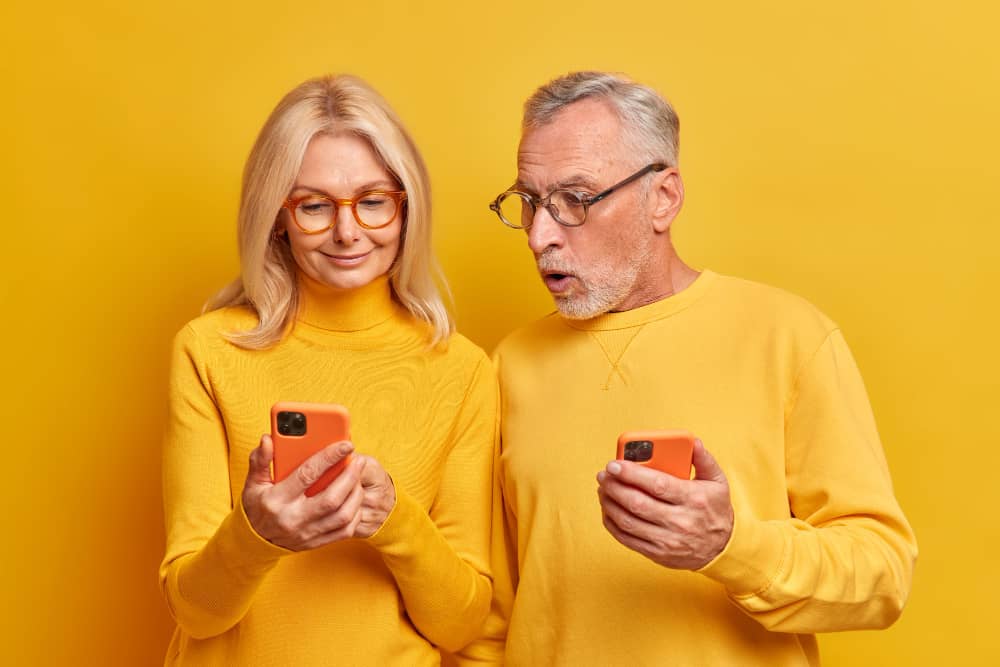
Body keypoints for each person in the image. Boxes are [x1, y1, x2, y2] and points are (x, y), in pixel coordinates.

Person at [465, 71, 917, 665]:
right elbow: (493, 617)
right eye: (529, 203)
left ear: (664, 196)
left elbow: (882, 576)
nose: (539, 236)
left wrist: (730, 546)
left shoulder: (787, 336)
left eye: (574, 200)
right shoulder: (508, 365)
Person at [159, 74, 498, 666]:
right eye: (314, 206)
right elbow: (195, 610)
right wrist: (258, 534)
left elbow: (461, 624)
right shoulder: (208, 350)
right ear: (276, 217)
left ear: (405, 207)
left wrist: (393, 519)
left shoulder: (462, 368)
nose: (348, 232)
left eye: (372, 202)